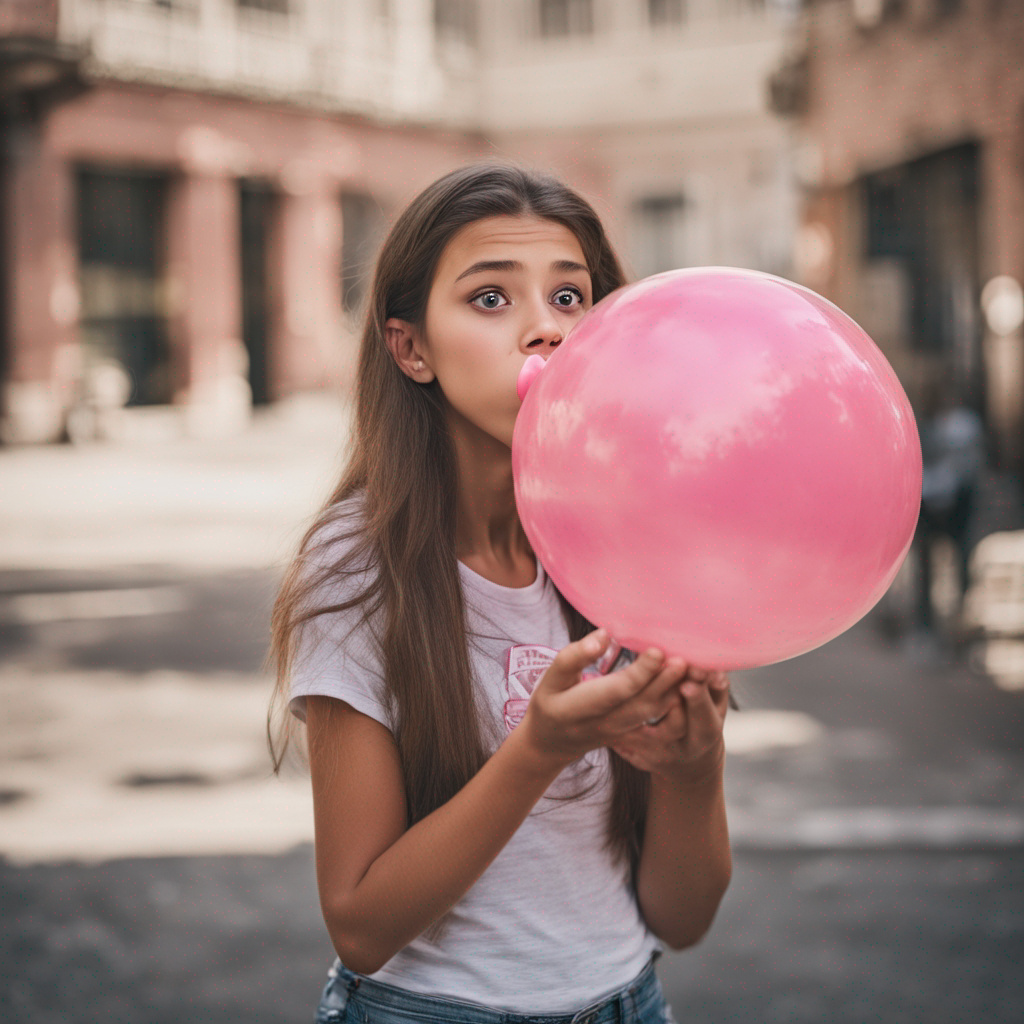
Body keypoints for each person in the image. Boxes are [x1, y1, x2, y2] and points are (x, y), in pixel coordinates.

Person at [267, 163, 732, 1024]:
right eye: (491, 300)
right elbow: (362, 925)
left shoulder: (629, 548)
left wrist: (695, 770)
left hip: (631, 1000)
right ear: (410, 348)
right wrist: (540, 747)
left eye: (570, 297)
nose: (545, 332)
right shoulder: (358, 562)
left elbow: (683, 917)